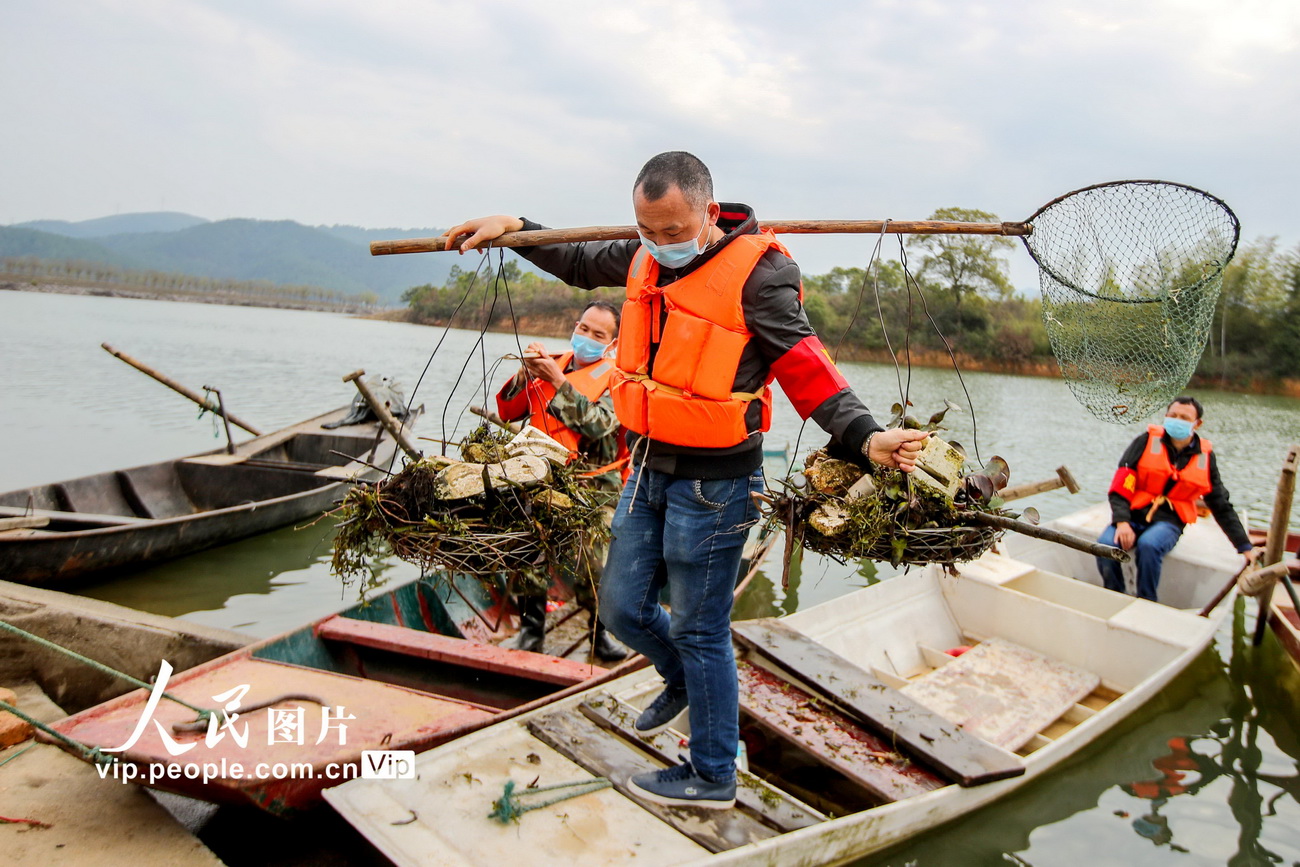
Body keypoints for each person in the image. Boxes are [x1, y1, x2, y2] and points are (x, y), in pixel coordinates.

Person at [442, 150, 927, 810]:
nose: (661, 244)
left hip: (717, 483)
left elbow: (806, 368)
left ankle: (712, 771)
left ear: (707, 211)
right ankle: (678, 680)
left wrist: (867, 436)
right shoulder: (643, 256)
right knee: (619, 604)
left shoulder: (762, 274)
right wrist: (516, 225)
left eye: (674, 231)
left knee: (702, 627)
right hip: (645, 464)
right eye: (649, 230)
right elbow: (578, 262)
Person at [494, 299, 629, 662]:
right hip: (541, 479)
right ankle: (530, 630)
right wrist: (524, 376)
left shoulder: (620, 378)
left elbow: (599, 424)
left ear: (613, 343)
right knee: (528, 550)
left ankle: (600, 636)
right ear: (575, 325)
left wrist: (557, 381)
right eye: (583, 328)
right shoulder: (553, 363)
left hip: (594, 487)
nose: (586, 337)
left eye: (598, 334)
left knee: (595, 565)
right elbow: (509, 411)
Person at [1097, 396, 1256, 601]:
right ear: (1165, 416)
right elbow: (1121, 485)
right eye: (1173, 415)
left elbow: (1220, 504)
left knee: (1149, 545)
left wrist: (1244, 547)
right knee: (1104, 545)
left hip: (1169, 520)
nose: (1177, 420)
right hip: (1133, 514)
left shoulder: (1205, 457)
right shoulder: (1145, 441)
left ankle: (1146, 602)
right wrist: (1122, 522)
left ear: (1197, 423)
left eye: (1184, 417)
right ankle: (1114, 596)